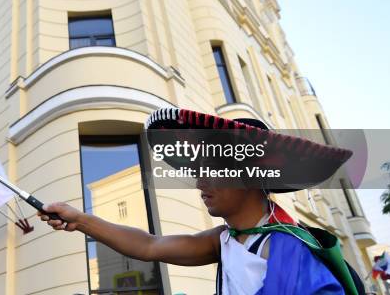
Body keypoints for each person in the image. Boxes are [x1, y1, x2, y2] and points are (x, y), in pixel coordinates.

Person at [38, 111, 356, 294]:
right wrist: (80, 220)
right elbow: (150, 245)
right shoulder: (226, 239)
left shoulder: (291, 250)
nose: (199, 181)